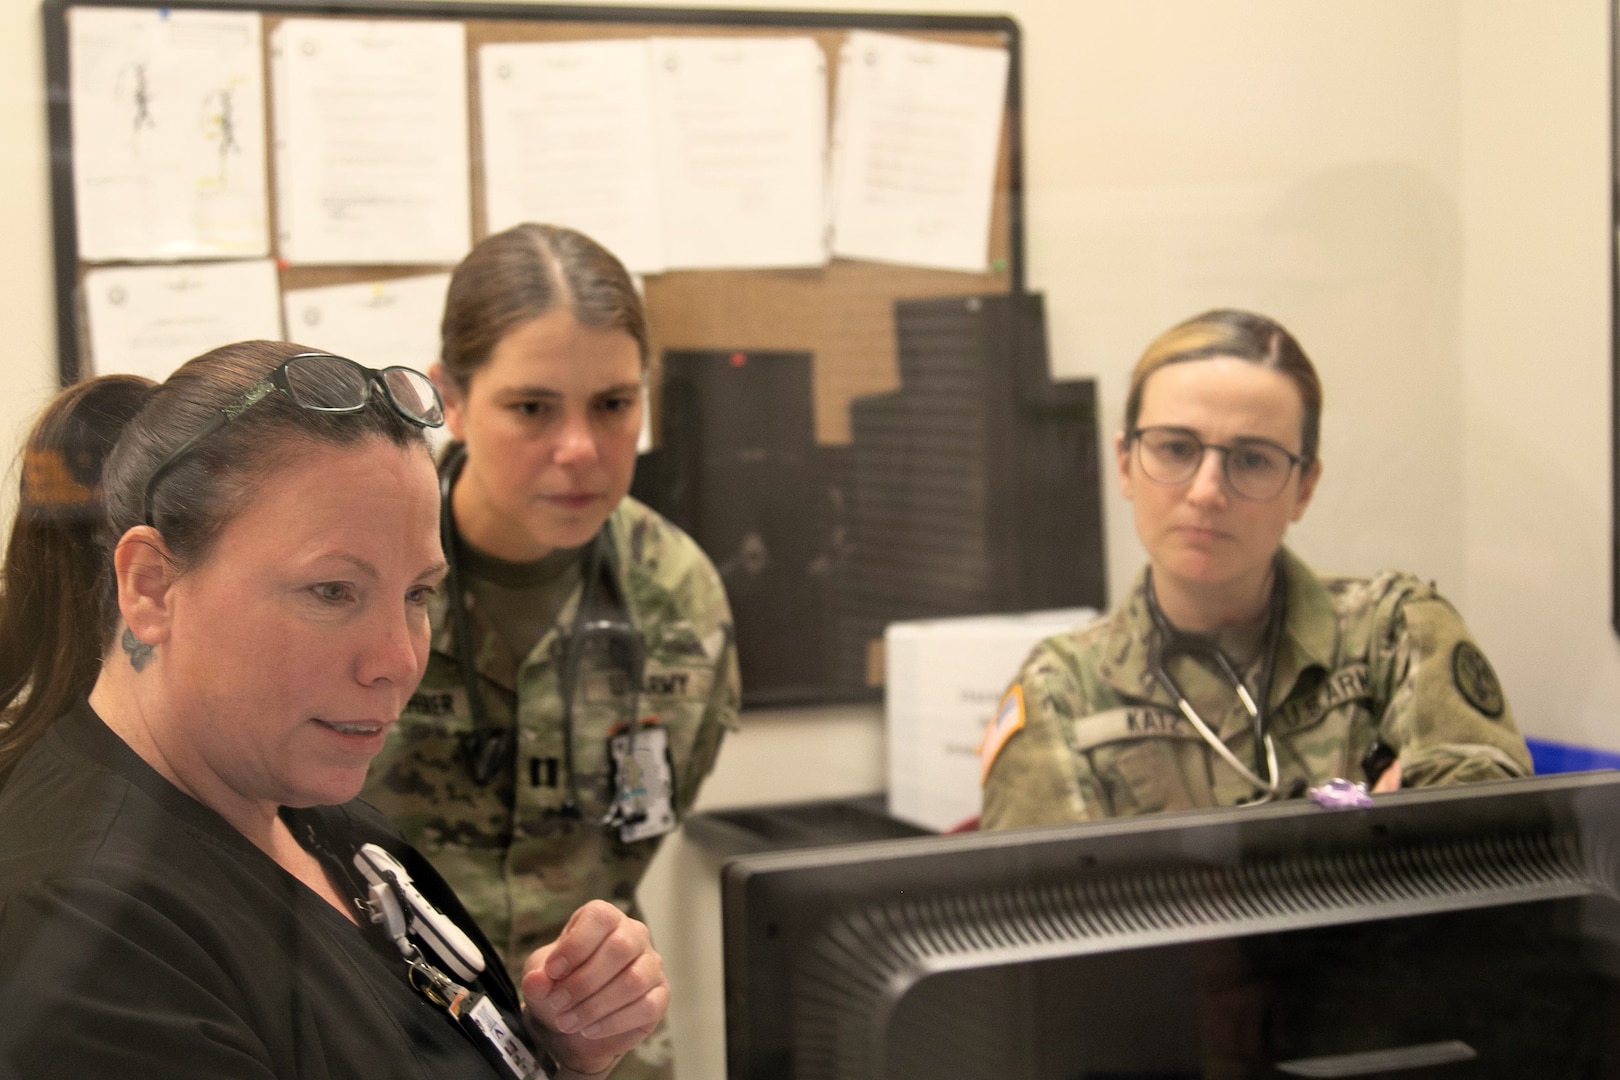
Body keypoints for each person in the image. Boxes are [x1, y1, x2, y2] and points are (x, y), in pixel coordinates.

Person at [0, 343, 668, 1079]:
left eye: (417, 595)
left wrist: (564, 1055)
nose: (399, 659)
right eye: (332, 592)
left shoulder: (302, 808)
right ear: (153, 586)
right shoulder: (88, 935)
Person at [360, 224, 740, 1078]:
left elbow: (638, 837)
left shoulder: (677, 598)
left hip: (602, 1051)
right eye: (533, 407)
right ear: (451, 399)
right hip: (376, 1042)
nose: (578, 448)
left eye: (613, 405)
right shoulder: (360, 579)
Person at [980, 309, 1532, 829]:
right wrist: (1367, 834)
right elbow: (1054, 914)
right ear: (1125, 464)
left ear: (1304, 488)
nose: (1206, 491)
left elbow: (1493, 847)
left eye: (1251, 459)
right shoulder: (1063, 690)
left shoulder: (1392, 635)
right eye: (1175, 449)